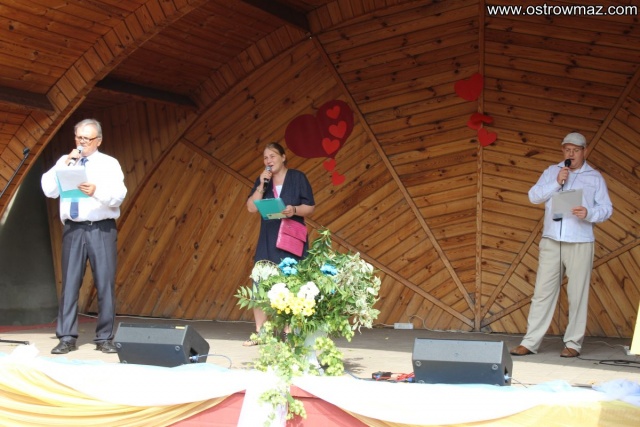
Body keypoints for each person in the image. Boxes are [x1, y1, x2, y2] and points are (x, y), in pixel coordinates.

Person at [510, 132, 612, 358]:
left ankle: (573, 344)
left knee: (577, 295)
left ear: (584, 151)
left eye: (575, 150)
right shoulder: (552, 172)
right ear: (562, 151)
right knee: (542, 293)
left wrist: (589, 213)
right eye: (567, 150)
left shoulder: (595, 178)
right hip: (552, 240)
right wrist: (556, 182)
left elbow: (606, 209)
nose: (571, 154)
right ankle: (530, 342)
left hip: (580, 241)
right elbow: (534, 196)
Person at [41, 118, 127, 354]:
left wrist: (96, 191)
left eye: (87, 139)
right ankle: (66, 338)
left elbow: (119, 196)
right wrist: (64, 164)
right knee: (70, 284)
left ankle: (104, 338)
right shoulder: (65, 161)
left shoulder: (109, 163)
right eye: (79, 137)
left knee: (104, 283)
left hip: (101, 228)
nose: (82, 143)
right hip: (74, 229)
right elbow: (48, 190)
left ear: (98, 140)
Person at [244, 142, 315, 346]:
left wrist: (294, 210)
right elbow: (251, 208)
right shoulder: (263, 181)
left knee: (292, 283)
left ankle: (289, 332)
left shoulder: (298, 177)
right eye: (265, 158)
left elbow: (310, 207)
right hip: (268, 238)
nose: (269, 161)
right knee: (260, 281)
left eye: (273, 156)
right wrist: (261, 185)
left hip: (291, 238)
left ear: (283, 157)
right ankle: (261, 332)